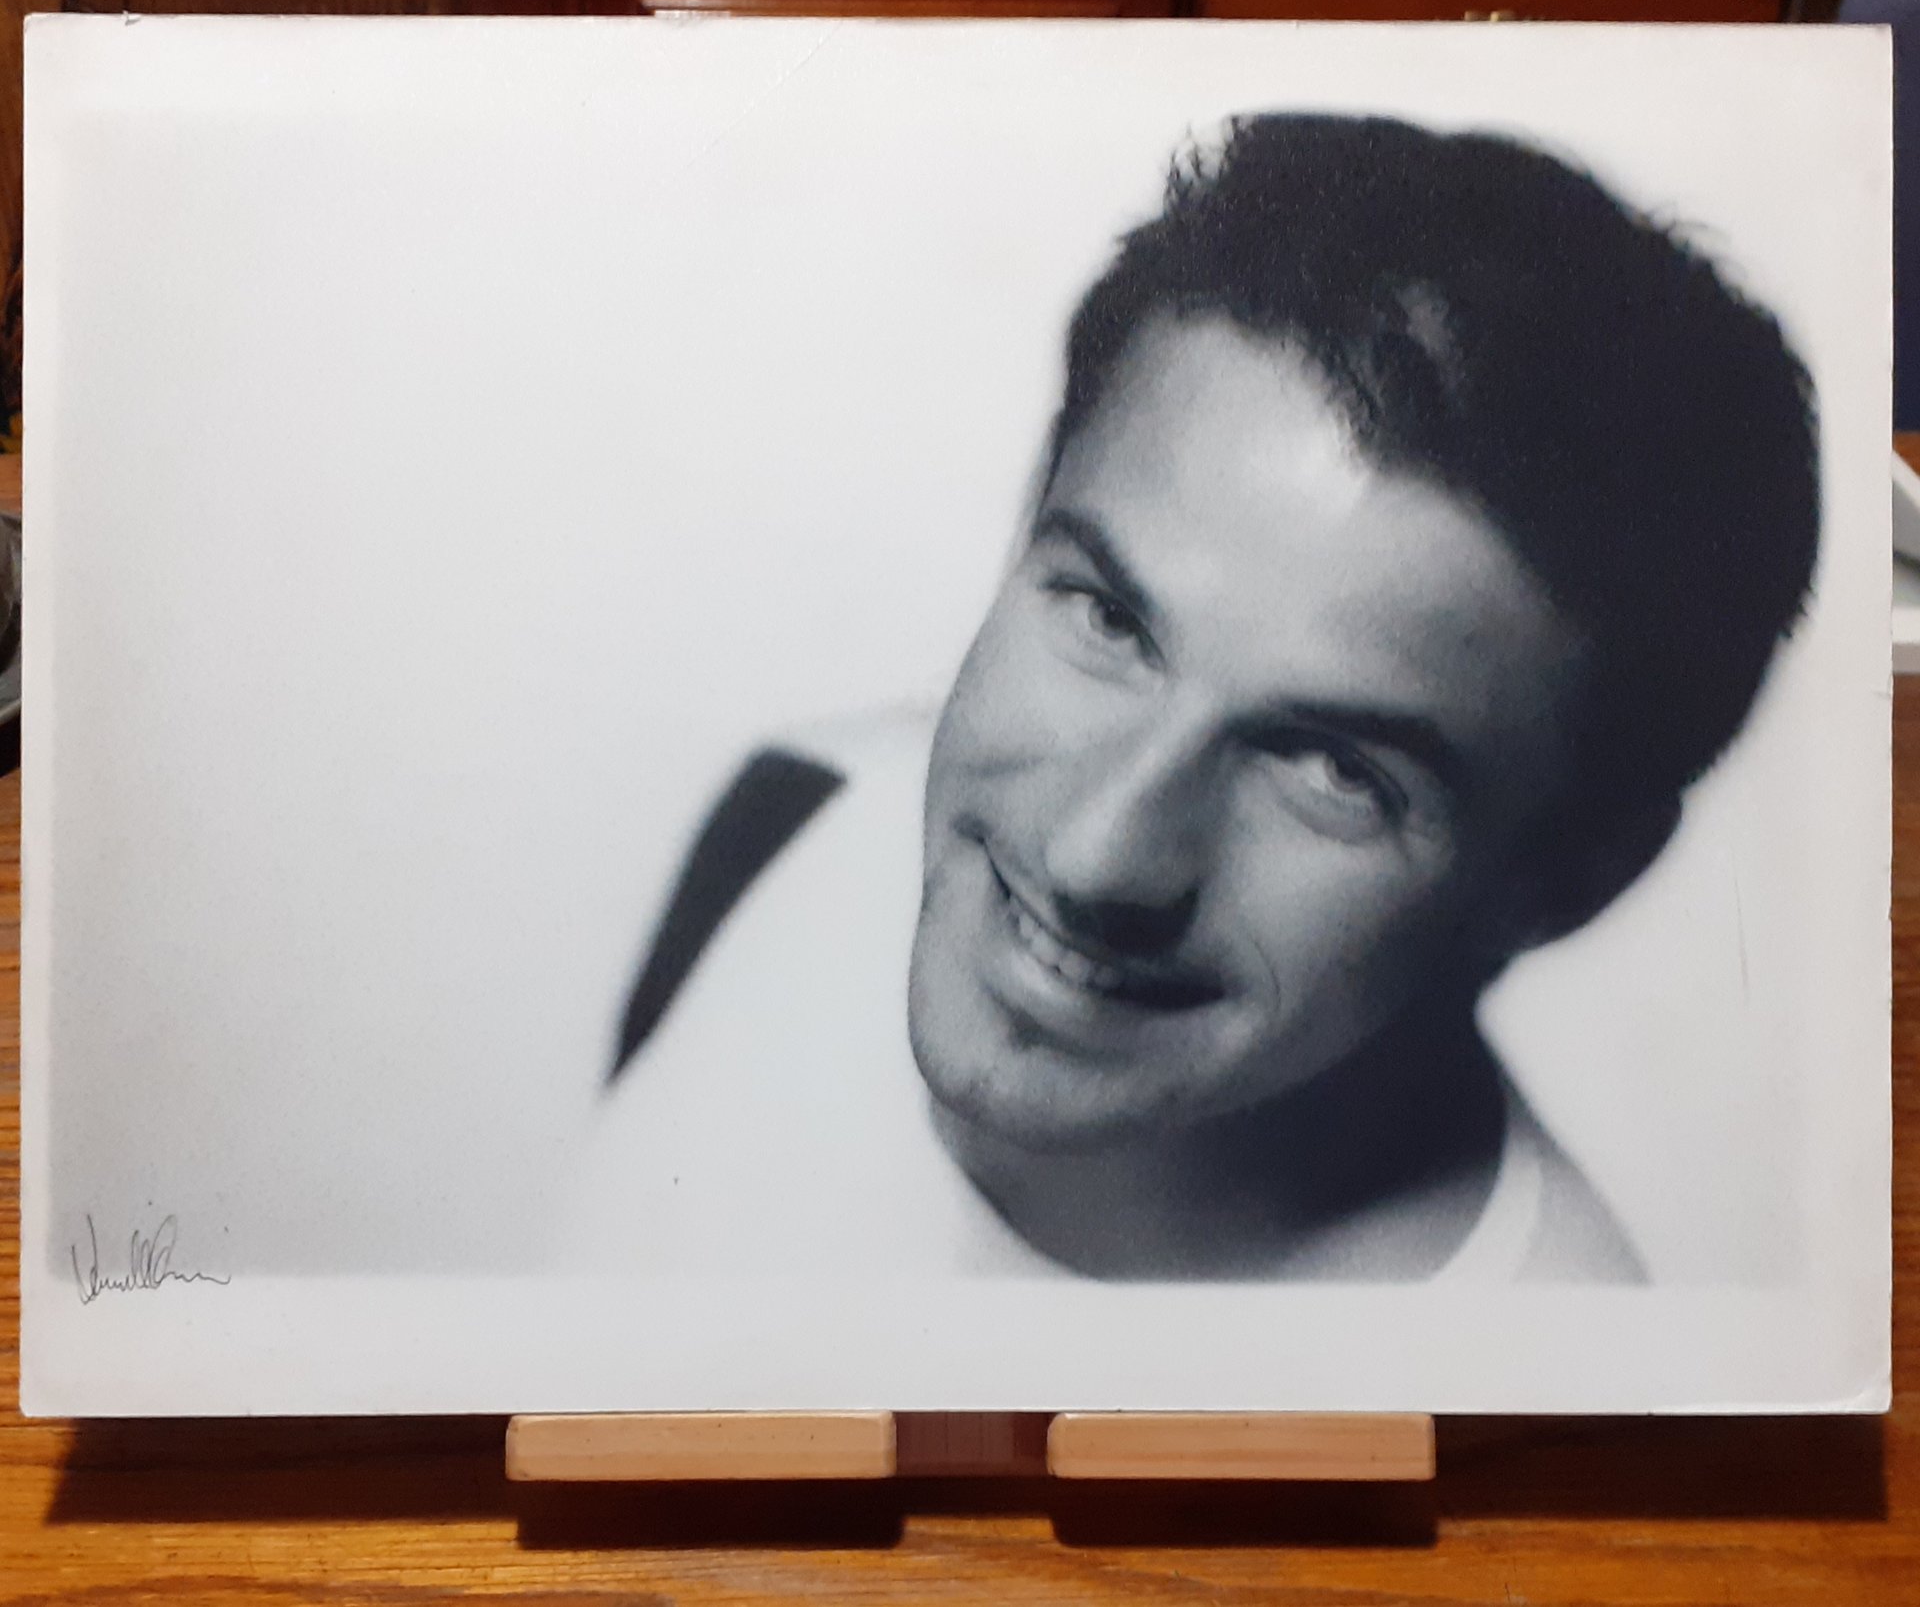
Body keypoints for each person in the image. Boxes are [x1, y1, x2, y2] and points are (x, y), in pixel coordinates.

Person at [564, 113, 1819, 1284]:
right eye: (1109, 620)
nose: (1095, 855)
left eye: (1334, 771)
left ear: (1563, 882)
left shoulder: (1554, 1405)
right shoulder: (803, 802)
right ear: (1030, 520)